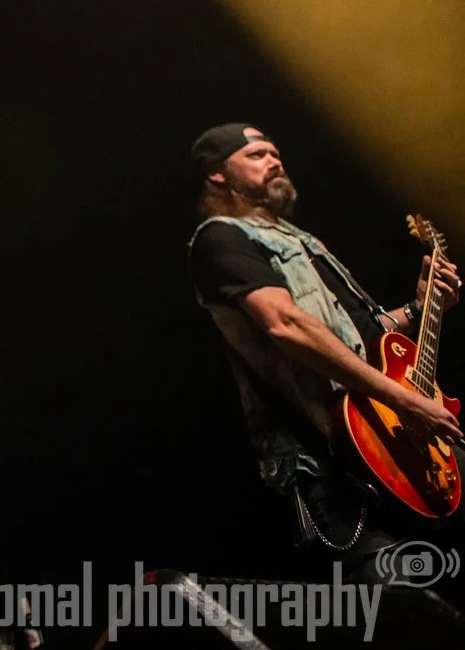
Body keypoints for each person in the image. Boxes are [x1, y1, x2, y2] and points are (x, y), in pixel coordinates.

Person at [187, 122, 462, 580]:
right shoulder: (221, 238)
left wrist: (421, 306)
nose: (274, 160)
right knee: (397, 594)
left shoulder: (303, 240)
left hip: (395, 434)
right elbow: (287, 325)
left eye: (275, 152)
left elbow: (363, 334)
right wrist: (407, 400)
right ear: (218, 174)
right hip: (326, 452)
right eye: (256, 155)